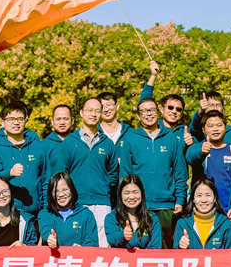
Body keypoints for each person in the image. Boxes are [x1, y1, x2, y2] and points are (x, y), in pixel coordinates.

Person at [116, 97, 186, 249]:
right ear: (138, 115)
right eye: (144, 111)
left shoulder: (171, 139)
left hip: (166, 206)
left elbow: (180, 173)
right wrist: (125, 203)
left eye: (152, 110)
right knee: (138, 248)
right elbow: (125, 176)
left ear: (158, 112)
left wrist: (180, 200)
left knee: (166, 250)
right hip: (139, 206)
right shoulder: (129, 139)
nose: (148, 114)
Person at [51, 98, 117, 247]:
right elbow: (61, 175)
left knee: (103, 248)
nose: (93, 114)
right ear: (81, 113)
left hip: (102, 203)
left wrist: (104, 189)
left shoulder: (107, 143)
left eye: (97, 111)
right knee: (78, 248)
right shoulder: (69, 142)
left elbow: (113, 175)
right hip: (76, 204)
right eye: (89, 110)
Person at [186, 110, 231, 243]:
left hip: (229, 214)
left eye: (219, 125)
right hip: (203, 215)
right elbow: (190, 157)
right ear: (203, 130)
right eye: (210, 126)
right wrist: (201, 151)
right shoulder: (199, 149)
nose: (215, 129)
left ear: (225, 127)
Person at [0, 102, 48, 219]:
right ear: (3, 123)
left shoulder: (38, 147)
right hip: (6, 214)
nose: (16, 122)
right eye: (11, 119)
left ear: (26, 120)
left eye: (20, 119)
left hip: (36, 213)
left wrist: (46, 209)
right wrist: (9, 173)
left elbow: (46, 180)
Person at [38, 172, 99, 249]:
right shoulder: (45, 214)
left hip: (76, 256)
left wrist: (82, 248)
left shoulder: (86, 214)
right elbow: (45, 228)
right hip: (52, 256)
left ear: (72, 190)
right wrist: (50, 238)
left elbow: (93, 243)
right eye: (56, 191)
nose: (61, 194)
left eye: (65, 190)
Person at [173, 178, 231, 249]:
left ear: (214, 198)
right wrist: (181, 247)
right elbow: (175, 254)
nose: (204, 200)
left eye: (208, 195)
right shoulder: (182, 224)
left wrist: (219, 254)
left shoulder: (226, 224)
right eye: (199, 195)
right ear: (193, 199)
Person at [104, 175, 163, 248]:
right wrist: (123, 235)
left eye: (135, 192)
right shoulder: (111, 217)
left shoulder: (152, 219)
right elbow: (112, 239)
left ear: (142, 193)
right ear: (120, 195)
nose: (131, 197)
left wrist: (140, 253)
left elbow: (155, 247)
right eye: (126, 193)